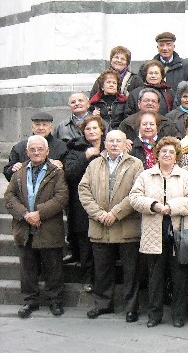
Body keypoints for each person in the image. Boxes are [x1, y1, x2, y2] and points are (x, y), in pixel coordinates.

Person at [129, 137, 188, 328]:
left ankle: (178, 315)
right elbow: (134, 198)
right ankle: (154, 315)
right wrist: (153, 205)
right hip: (155, 231)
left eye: (171, 152)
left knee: (180, 277)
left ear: (177, 156)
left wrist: (171, 207)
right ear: (157, 155)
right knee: (155, 277)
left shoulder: (186, 176)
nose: (167, 155)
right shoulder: (146, 175)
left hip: (180, 232)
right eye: (163, 152)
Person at [78, 129, 144, 322]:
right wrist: (99, 214)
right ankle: (102, 304)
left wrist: (115, 213)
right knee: (102, 269)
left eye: (119, 141)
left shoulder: (135, 164)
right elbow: (84, 190)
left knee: (131, 271)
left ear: (126, 144)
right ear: (104, 143)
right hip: (100, 225)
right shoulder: (94, 164)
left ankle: (131, 307)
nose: (114, 144)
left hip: (125, 226)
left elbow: (136, 192)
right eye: (111, 141)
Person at [4, 135, 69, 318]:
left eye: (40, 149)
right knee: (27, 268)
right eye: (32, 149)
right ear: (26, 152)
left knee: (53, 267)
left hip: (48, 226)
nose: (36, 152)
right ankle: (29, 301)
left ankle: (55, 301)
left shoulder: (56, 172)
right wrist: (25, 214)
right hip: (24, 228)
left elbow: (62, 197)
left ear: (47, 151)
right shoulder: (19, 172)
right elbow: (10, 196)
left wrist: (40, 213)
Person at [63, 115, 105, 292]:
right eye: (88, 129)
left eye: (95, 128)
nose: (92, 131)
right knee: (85, 246)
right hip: (82, 205)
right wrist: (86, 157)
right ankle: (88, 277)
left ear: (102, 130)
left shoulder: (110, 146)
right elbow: (70, 175)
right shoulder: (75, 150)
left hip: (105, 202)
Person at [4, 112, 67, 182]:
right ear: (32, 128)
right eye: (37, 124)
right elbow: (8, 173)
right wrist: (13, 169)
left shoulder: (62, 147)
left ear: (51, 128)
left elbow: (70, 174)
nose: (41, 128)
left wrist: (62, 166)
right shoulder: (19, 148)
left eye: (44, 125)